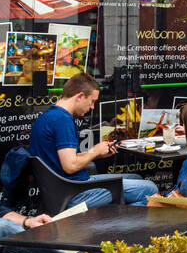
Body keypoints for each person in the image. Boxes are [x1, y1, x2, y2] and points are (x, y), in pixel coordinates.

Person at [28, 73, 158, 207]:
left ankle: (115, 215)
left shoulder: (46, 117)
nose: (92, 107)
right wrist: (95, 151)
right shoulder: (63, 120)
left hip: (61, 189)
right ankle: (115, 218)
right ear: (80, 96)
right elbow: (70, 166)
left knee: (136, 178)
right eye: (92, 101)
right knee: (150, 189)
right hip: (74, 193)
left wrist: (97, 154)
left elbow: (63, 158)